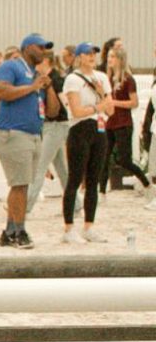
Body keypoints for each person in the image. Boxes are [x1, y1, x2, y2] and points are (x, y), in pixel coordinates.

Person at [0, 32, 53, 248]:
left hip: (30, 134)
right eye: (40, 47)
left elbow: (51, 110)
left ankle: (9, 231)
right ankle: (19, 230)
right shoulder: (12, 67)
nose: (44, 51)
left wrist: (47, 86)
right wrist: (33, 87)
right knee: (19, 184)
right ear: (27, 48)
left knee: (22, 184)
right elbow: (1, 91)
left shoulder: (35, 74)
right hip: (13, 132)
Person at [61, 42, 113, 243]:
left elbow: (111, 110)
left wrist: (101, 96)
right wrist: (98, 106)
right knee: (74, 179)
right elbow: (76, 111)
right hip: (80, 130)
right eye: (88, 54)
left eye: (94, 54)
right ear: (79, 56)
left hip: (99, 130)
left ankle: (89, 225)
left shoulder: (102, 78)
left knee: (93, 180)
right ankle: (68, 228)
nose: (92, 57)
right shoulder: (73, 79)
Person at [26, 50, 78, 217]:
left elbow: (65, 104)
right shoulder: (46, 79)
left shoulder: (56, 80)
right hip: (51, 125)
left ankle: (26, 205)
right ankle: (76, 203)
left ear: (46, 61)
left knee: (40, 165)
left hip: (56, 125)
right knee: (62, 169)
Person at [100, 48, 153, 203]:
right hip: (109, 122)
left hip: (123, 123)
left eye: (112, 56)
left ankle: (147, 184)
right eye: (108, 56)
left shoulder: (128, 79)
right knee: (104, 157)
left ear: (120, 59)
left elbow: (134, 102)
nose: (109, 59)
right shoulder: (107, 79)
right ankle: (102, 192)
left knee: (124, 159)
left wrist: (115, 103)